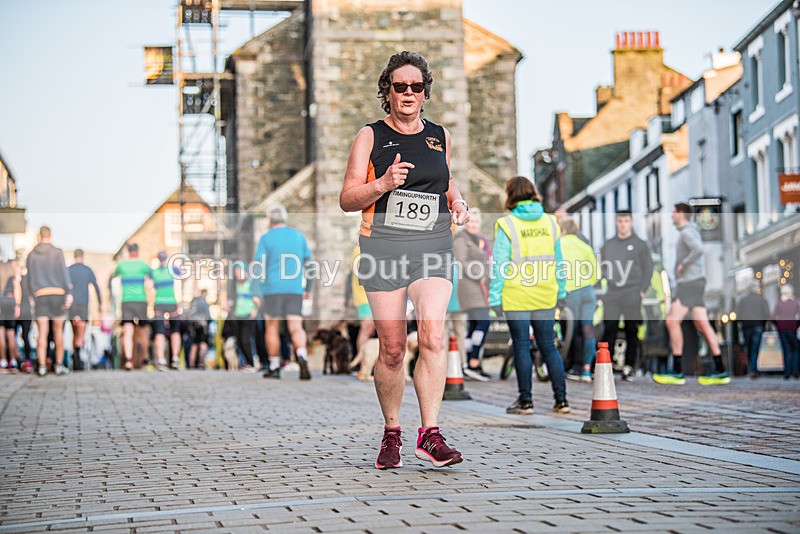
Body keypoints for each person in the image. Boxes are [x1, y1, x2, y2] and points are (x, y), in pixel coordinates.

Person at [340, 51, 469, 469]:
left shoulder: (439, 135)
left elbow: (445, 182)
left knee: (433, 334)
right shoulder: (370, 136)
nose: (408, 93)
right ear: (388, 93)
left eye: (416, 86)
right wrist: (382, 183)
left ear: (425, 93)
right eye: (400, 87)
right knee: (393, 349)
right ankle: (392, 432)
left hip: (433, 244)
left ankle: (430, 434)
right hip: (384, 249)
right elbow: (347, 199)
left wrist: (460, 202)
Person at [489, 177, 570, 415]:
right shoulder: (551, 222)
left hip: (516, 295)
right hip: (545, 293)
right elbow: (559, 261)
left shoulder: (507, 224)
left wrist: (495, 298)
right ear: (533, 193)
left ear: (510, 194)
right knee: (548, 346)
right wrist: (561, 291)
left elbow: (500, 264)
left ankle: (526, 402)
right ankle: (562, 400)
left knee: (522, 347)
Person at [654, 203, 729, 385]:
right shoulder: (690, 230)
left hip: (689, 283)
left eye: (674, 212)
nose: (672, 216)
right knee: (703, 324)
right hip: (695, 282)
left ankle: (677, 371)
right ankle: (720, 370)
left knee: (672, 321)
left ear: (681, 214)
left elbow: (699, 250)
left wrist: (683, 264)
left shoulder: (687, 231)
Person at [600, 209, 652, 381]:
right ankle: (605, 366)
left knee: (632, 330)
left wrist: (642, 289)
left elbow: (648, 269)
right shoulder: (609, 244)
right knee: (609, 329)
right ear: (616, 222)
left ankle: (629, 366)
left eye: (626, 221)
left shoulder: (640, 244)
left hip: (632, 292)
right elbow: (603, 266)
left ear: (631, 222)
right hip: (613, 293)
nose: (623, 225)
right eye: (620, 221)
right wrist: (608, 278)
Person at [26, 226, 73, 376]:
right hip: (58, 293)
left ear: (39, 236)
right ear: (50, 236)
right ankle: (58, 365)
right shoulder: (58, 252)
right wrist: (68, 293)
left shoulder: (32, 255)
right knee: (58, 331)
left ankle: (41, 366)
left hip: (41, 294)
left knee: (42, 332)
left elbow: (29, 278)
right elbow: (64, 274)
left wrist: (32, 294)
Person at [454, 208, 491, 381]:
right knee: (483, 321)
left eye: (477, 222)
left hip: (480, 287)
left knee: (474, 325)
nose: (474, 225)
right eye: (472, 221)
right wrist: (480, 274)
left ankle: (469, 362)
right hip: (469, 287)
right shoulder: (462, 239)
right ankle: (473, 361)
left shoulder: (479, 239)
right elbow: (461, 261)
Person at [560, 217, 599, 383]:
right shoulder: (584, 246)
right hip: (588, 292)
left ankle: (575, 368)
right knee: (587, 329)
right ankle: (587, 369)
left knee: (573, 331)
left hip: (571, 291)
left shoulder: (559, 244)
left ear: (563, 230)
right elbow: (597, 274)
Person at [110, 243, 150, 370]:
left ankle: (128, 361)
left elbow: (113, 277)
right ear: (137, 252)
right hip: (141, 301)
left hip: (127, 301)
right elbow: (151, 279)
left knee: (128, 331)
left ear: (128, 252)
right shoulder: (143, 265)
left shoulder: (121, 265)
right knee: (143, 331)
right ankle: (144, 361)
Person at [67, 249, 102, 371]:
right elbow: (96, 286)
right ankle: (77, 352)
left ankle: (75, 354)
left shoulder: (69, 270)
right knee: (81, 332)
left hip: (71, 305)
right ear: (82, 256)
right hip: (82, 304)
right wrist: (100, 304)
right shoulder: (87, 270)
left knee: (74, 331)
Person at [149, 251, 183, 370]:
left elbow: (149, 287)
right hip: (172, 302)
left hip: (159, 303)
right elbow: (182, 280)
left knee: (160, 332)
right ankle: (175, 358)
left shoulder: (153, 272)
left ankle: (161, 360)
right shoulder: (173, 269)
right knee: (175, 331)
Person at [229, 263, 261, 370]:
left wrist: (254, 311)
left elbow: (258, 300)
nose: (237, 274)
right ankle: (247, 362)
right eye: (236, 273)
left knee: (245, 339)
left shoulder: (252, 284)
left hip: (248, 316)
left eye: (239, 272)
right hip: (238, 315)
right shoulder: (236, 286)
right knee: (239, 340)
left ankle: (251, 363)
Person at [735, 281, 770, 379]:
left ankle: (752, 369)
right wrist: (763, 324)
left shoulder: (743, 300)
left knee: (749, 348)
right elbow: (766, 314)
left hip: (746, 326)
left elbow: (738, 314)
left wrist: (742, 323)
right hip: (758, 326)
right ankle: (753, 370)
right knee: (755, 349)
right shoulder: (761, 300)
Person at [771, 284, 800, 380]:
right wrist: (796, 325)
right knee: (795, 349)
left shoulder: (779, 304)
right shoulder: (795, 303)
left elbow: (773, 317)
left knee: (786, 350)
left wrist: (778, 325)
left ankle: (787, 371)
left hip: (782, 328)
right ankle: (795, 370)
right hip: (792, 327)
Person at [351, 244, 375, 352]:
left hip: (372, 295)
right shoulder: (360, 249)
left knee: (371, 329)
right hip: (364, 296)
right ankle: (362, 362)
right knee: (367, 328)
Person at [0, 260, 22, 371]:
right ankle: (12, 361)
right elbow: (16, 287)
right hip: (9, 303)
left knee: (1, 334)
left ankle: (3, 361)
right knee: (11, 334)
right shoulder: (12, 271)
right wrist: (17, 305)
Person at [187, 289, 211, 369]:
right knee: (203, 344)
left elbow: (189, 313)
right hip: (202, 325)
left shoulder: (194, 301)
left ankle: (191, 363)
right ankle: (201, 363)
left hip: (193, 325)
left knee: (194, 344)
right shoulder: (205, 303)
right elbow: (208, 317)